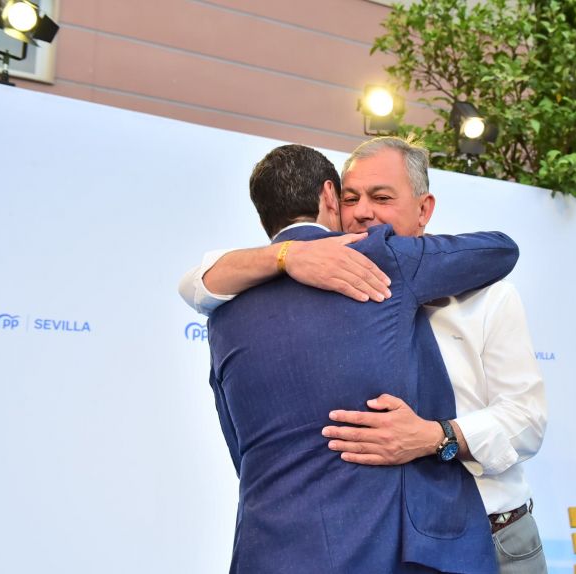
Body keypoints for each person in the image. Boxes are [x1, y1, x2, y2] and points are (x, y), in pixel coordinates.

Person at [180, 137, 548, 573]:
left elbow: (527, 420)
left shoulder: (488, 296)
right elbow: (195, 284)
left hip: (495, 536)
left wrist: (437, 436)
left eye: (382, 197)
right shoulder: (290, 286)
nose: (363, 212)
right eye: (351, 198)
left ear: (424, 209)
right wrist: (288, 255)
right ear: (331, 199)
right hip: (396, 552)